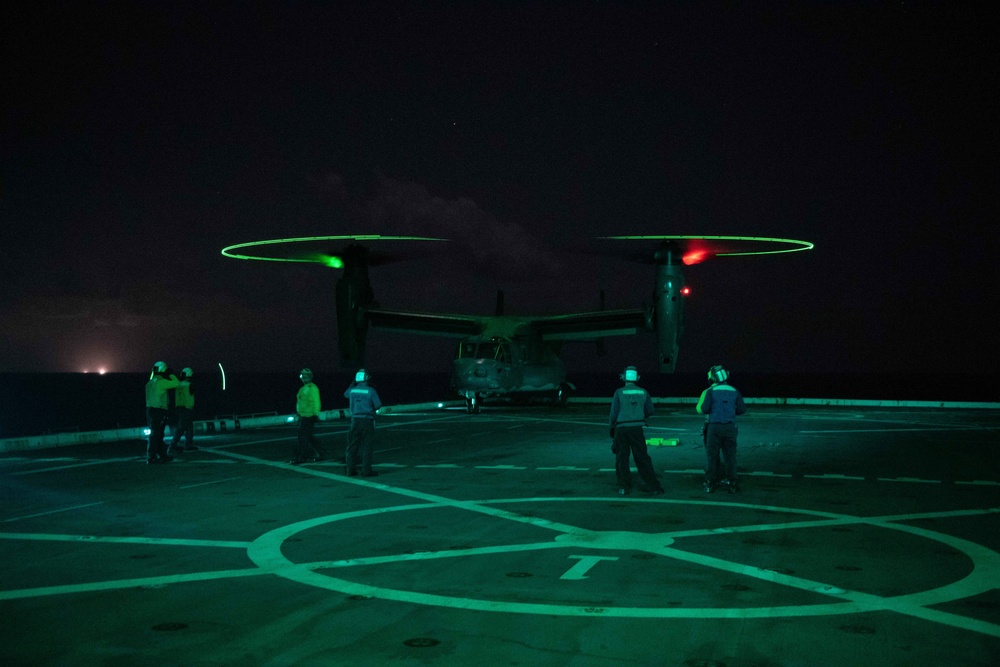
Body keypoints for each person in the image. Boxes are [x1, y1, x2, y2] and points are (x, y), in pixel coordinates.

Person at [608, 366, 664, 495]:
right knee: (642, 457)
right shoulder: (643, 392)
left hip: (621, 429)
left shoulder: (619, 392)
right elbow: (650, 410)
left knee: (622, 457)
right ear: (638, 378)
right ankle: (653, 486)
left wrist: (611, 428)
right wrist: (638, 415)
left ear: (623, 377)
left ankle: (624, 486)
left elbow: (613, 414)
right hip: (637, 429)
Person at [696, 365, 746, 493]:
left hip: (714, 427)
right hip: (730, 427)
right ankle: (732, 481)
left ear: (713, 378)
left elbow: (703, 409)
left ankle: (710, 481)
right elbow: (741, 410)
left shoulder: (710, 391)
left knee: (711, 456)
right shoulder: (735, 391)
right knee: (730, 457)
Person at [344, 368, 382, 477]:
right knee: (367, 446)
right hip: (367, 420)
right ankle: (366, 470)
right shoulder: (371, 390)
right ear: (366, 378)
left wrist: (353, 383)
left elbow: (346, 394)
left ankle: (350, 470)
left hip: (355, 421)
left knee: (352, 446)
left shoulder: (352, 390)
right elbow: (378, 404)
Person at [145, 361, 179, 464]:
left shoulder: (150, 382)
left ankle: (160, 454)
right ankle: (152, 456)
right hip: (158, 410)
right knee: (157, 434)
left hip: (150, 410)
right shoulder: (161, 382)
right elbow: (176, 383)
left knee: (156, 433)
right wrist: (170, 374)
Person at [292, 367, 324, 464]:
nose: (304, 377)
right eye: (302, 375)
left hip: (309, 416)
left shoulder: (312, 388)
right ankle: (320, 453)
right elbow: (301, 402)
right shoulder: (303, 388)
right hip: (303, 415)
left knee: (303, 437)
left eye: (306, 376)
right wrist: (299, 413)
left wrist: (316, 414)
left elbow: (316, 402)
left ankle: (302, 456)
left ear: (310, 377)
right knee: (308, 437)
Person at [169, 367, 197, 453]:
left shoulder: (178, 384)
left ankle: (188, 444)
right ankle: (173, 445)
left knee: (189, 427)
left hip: (179, 408)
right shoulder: (189, 384)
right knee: (181, 427)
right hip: (187, 408)